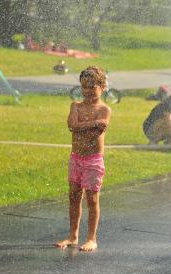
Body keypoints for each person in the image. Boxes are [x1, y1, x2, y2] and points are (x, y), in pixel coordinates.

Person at [55, 66, 112, 252]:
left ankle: (91, 238)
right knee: (73, 196)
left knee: (92, 199)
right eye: (84, 87)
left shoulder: (104, 109)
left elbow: (87, 126)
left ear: (103, 87)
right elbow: (72, 126)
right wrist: (94, 124)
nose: (87, 91)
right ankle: (73, 236)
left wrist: (83, 125)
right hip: (76, 158)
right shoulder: (75, 106)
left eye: (92, 87)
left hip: (93, 160)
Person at [143, 83, 171, 150]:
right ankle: (153, 141)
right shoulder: (167, 102)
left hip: (161, 127)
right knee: (167, 121)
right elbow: (168, 124)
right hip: (150, 128)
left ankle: (169, 141)